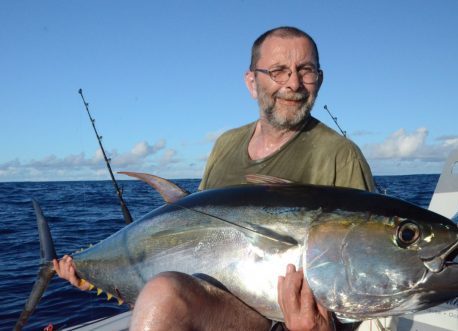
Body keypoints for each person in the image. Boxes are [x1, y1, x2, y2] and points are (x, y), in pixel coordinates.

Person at [54, 26, 375, 331]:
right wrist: (104, 272)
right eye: (278, 71)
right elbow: (192, 232)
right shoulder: (227, 144)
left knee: (163, 295)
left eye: (306, 70)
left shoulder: (339, 154)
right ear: (252, 82)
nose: (293, 84)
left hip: (276, 318)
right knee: (160, 293)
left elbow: (361, 278)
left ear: (320, 79)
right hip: (214, 300)